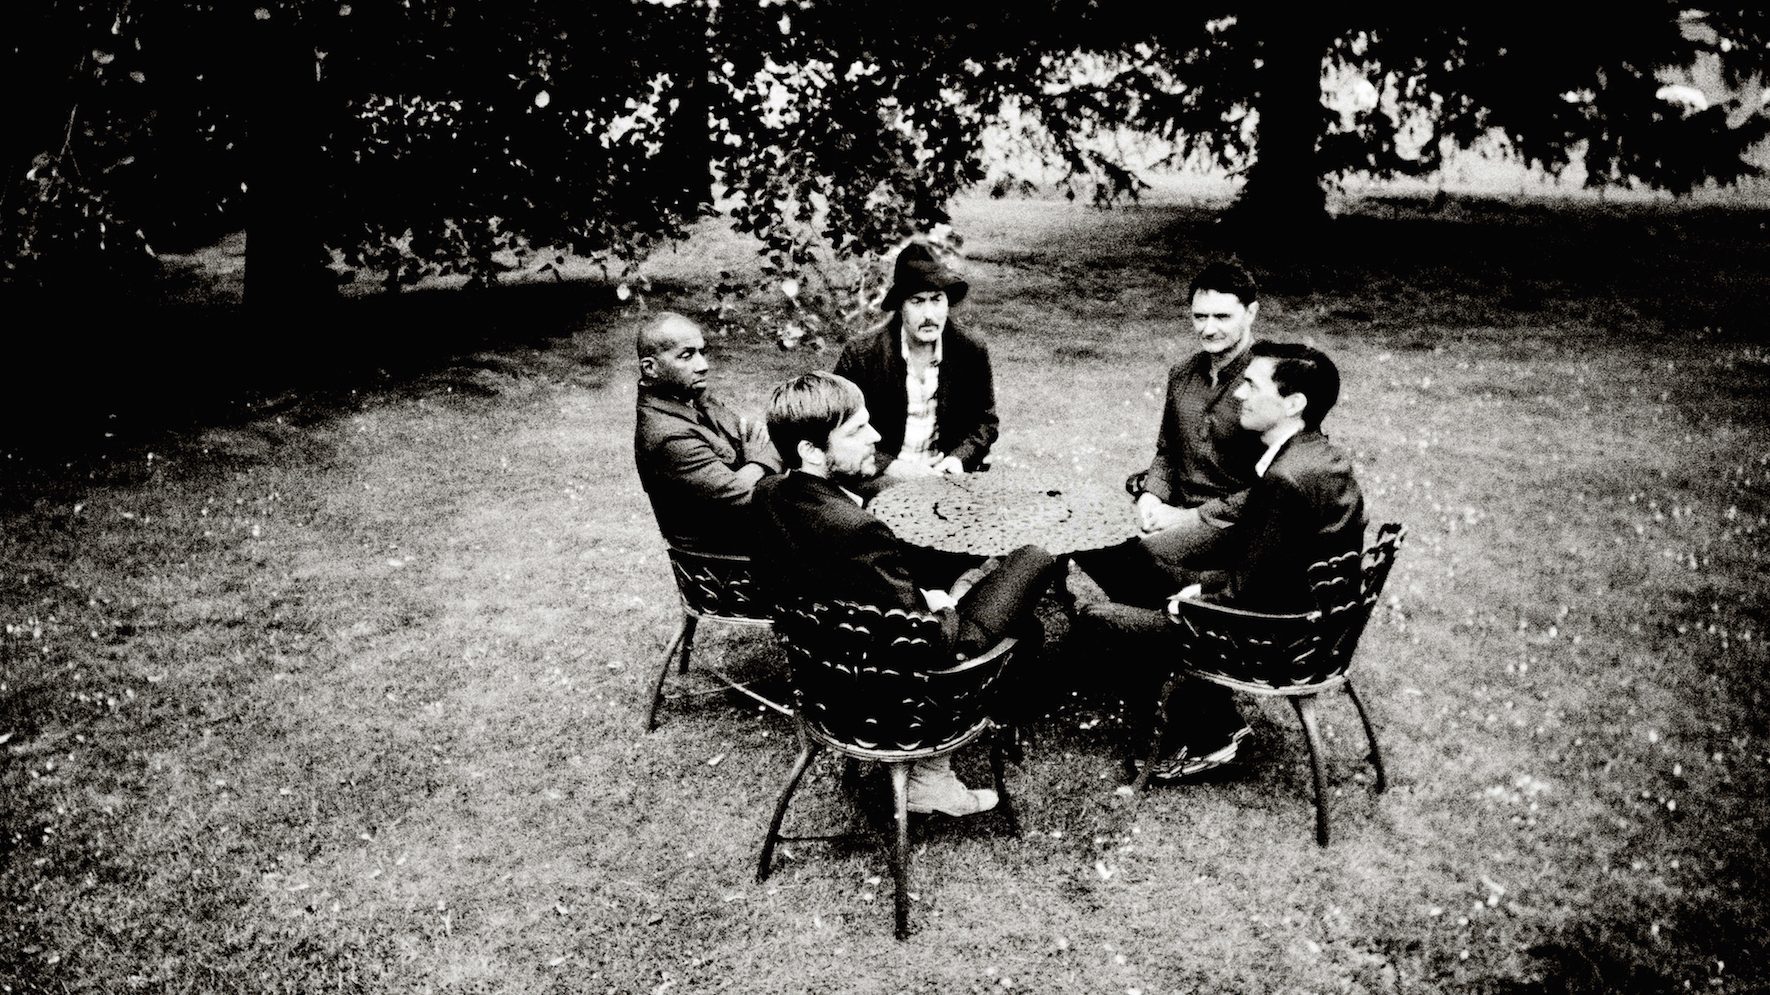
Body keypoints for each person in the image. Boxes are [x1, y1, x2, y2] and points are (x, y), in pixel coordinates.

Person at [752, 371, 1056, 816]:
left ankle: (977, 595)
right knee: (1035, 556)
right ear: (812, 451)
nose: (875, 436)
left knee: (978, 578)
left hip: (824, 672)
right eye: (856, 430)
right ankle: (931, 779)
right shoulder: (857, 530)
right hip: (900, 681)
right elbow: (926, 639)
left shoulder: (769, 495)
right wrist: (947, 601)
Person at [1077, 342, 1366, 780]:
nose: (1238, 394)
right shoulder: (1318, 455)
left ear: (1293, 404)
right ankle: (1199, 709)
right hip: (1310, 627)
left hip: (1267, 638)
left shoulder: (1285, 480)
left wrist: (1187, 600)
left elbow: (1244, 592)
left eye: (1251, 385)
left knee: (1098, 619)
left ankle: (1207, 735)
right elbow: (1265, 561)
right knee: (1132, 558)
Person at [1122, 259, 1269, 569]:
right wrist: (1151, 497)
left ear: (1251, 313)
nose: (1209, 329)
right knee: (1092, 543)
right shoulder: (1182, 375)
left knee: (1136, 557)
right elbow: (1168, 452)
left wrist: (1190, 518)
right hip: (1176, 511)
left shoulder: (1270, 382)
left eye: (1222, 317)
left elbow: (1276, 486)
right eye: (1199, 317)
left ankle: (1181, 608)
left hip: (1237, 528)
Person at [832, 242, 997, 484]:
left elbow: (986, 421)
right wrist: (891, 466)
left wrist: (958, 459)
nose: (929, 314)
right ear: (900, 307)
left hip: (945, 475)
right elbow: (837, 428)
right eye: (917, 302)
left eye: (937, 300)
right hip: (880, 476)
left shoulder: (969, 350)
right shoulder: (862, 355)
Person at [633, 312, 782, 555]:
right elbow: (743, 494)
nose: (703, 366)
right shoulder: (667, 435)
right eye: (687, 355)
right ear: (650, 368)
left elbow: (758, 436)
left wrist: (755, 462)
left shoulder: (692, 399)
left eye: (702, 352)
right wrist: (758, 461)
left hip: (751, 537)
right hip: (726, 560)